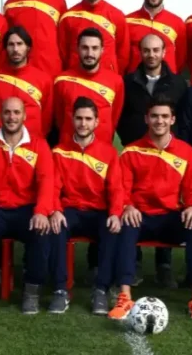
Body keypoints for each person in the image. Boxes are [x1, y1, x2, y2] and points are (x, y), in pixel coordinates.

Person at [110, 95, 192, 320]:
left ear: (173, 119)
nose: (159, 121)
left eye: (164, 116)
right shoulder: (131, 151)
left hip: (170, 216)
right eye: (154, 116)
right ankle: (124, 296)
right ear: (146, 119)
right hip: (140, 215)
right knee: (125, 226)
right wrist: (127, 206)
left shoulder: (186, 152)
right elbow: (122, 188)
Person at [0, 97, 57, 315]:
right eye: (7, 112)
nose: (11, 117)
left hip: (26, 208)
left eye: (16, 112)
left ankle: (31, 291)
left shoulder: (39, 145)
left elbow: (46, 181)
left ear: (24, 116)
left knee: (43, 232)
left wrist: (41, 212)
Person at [114, 32, 189, 288]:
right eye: (146, 50)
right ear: (140, 52)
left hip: (167, 152)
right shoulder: (128, 82)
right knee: (134, 202)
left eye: (156, 50)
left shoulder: (177, 83)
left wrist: (173, 144)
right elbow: (120, 115)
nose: (151, 55)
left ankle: (164, 266)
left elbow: (183, 117)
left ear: (164, 53)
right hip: (136, 150)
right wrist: (130, 139)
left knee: (165, 201)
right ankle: (133, 263)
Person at [48, 97, 123, 316]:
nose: (83, 123)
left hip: (98, 211)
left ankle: (101, 290)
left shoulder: (109, 152)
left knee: (112, 229)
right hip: (70, 209)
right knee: (56, 228)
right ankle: (60, 290)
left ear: (96, 122)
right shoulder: (59, 151)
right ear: (72, 119)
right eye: (79, 118)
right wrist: (55, 210)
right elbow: (52, 187)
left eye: (88, 119)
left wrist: (115, 213)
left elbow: (116, 188)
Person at [2, 0, 68, 76]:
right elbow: (6, 44)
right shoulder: (10, 5)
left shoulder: (58, 1)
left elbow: (65, 41)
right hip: (21, 74)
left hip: (52, 71)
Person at [53, 28, 124, 144]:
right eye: (85, 48)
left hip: (102, 150)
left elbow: (114, 118)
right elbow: (59, 120)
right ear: (77, 49)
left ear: (102, 50)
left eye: (95, 48)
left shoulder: (116, 81)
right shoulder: (62, 81)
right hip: (69, 149)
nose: (90, 54)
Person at [58, 0, 129, 74]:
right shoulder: (68, 17)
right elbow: (63, 54)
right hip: (76, 80)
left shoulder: (117, 16)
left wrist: (112, 77)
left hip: (107, 81)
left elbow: (123, 54)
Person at [0, 26, 54, 139]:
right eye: (11, 44)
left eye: (20, 44)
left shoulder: (43, 80)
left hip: (31, 144)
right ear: (5, 48)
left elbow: (46, 119)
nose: (15, 49)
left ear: (28, 47)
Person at [123, 0, 186, 75]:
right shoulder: (127, 21)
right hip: (134, 81)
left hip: (167, 82)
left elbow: (181, 59)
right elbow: (122, 55)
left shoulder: (177, 22)